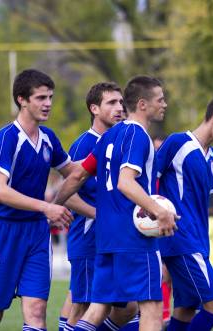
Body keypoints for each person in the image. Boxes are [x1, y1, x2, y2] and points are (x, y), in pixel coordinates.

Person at [54, 75, 178, 331]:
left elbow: (77, 175)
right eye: (160, 99)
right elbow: (125, 182)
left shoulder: (108, 137)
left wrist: (55, 205)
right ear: (143, 104)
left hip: (106, 238)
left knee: (98, 308)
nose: (165, 104)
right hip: (133, 237)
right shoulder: (138, 136)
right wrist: (159, 211)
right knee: (152, 307)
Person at [0, 69, 81, 331]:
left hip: (36, 233)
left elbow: (76, 174)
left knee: (36, 311)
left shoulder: (48, 139)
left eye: (50, 97)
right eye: (41, 97)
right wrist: (48, 206)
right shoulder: (6, 138)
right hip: (2, 233)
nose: (48, 104)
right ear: (22, 99)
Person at [58, 82, 142, 331]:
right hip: (87, 238)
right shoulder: (85, 144)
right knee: (82, 307)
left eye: (120, 103)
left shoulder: (117, 140)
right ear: (94, 108)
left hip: (111, 239)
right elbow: (69, 193)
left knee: (127, 307)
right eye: (111, 103)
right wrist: (102, 215)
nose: (119, 108)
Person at [156, 95, 213, 331]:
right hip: (182, 241)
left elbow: (199, 203)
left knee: (187, 307)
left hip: (199, 241)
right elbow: (148, 181)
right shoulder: (177, 143)